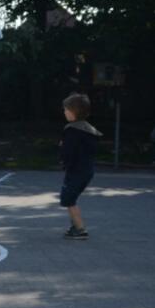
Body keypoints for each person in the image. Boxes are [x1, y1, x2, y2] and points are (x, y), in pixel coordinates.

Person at [60, 92, 101, 239]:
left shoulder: (72, 130)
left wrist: (63, 156)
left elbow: (68, 151)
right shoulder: (89, 130)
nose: (64, 112)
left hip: (76, 170)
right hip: (87, 170)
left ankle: (80, 229)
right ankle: (75, 226)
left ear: (73, 112)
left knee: (68, 199)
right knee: (72, 197)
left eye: (66, 110)